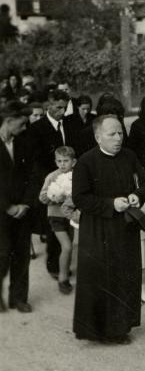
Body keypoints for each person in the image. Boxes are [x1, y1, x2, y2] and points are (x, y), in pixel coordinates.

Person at [71, 114, 145, 344]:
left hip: (125, 228)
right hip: (97, 231)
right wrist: (110, 204)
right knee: (101, 278)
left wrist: (137, 195)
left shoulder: (129, 156)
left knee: (125, 276)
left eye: (120, 133)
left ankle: (120, 328)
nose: (118, 138)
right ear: (98, 137)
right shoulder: (86, 162)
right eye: (112, 134)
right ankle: (97, 331)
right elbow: (80, 198)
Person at [32, 89, 74, 281]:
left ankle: (63, 263)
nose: (62, 111)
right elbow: (36, 160)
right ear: (49, 104)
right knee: (52, 227)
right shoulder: (38, 128)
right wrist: (54, 182)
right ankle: (53, 265)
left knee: (68, 226)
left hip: (70, 180)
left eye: (65, 108)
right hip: (51, 183)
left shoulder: (69, 124)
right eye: (58, 107)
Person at [0, 101, 36, 313]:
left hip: (23, 211)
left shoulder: (24, 144)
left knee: (22, 255)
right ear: (9, 121)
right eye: (21, 124)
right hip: (1, 212)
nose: (25, 128)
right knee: (2, 254)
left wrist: (25, 204)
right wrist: (7, 207)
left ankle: (18, 298)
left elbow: (33, 176)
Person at [38, 146, 77, 295]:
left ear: (73, 162)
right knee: (66, 246)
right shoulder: (52, 176)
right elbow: (42, 197)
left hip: (71, 216)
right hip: (56, 216)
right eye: (59, 161)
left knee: (69, 246)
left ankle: (64, 270)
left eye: (66, 161)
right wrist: (54, 196)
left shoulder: (78, 175)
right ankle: (63, 279)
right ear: (55, 162)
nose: (62, 164)